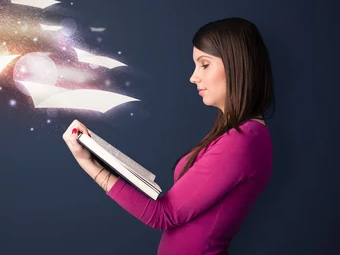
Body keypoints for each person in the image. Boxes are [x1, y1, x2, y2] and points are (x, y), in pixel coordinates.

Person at [62, 17, 275, 255]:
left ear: (238, 66)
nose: (194, 77)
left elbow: (164, 214)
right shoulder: (237, 135)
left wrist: (88, 163)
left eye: (204, 64)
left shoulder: (242, 141)